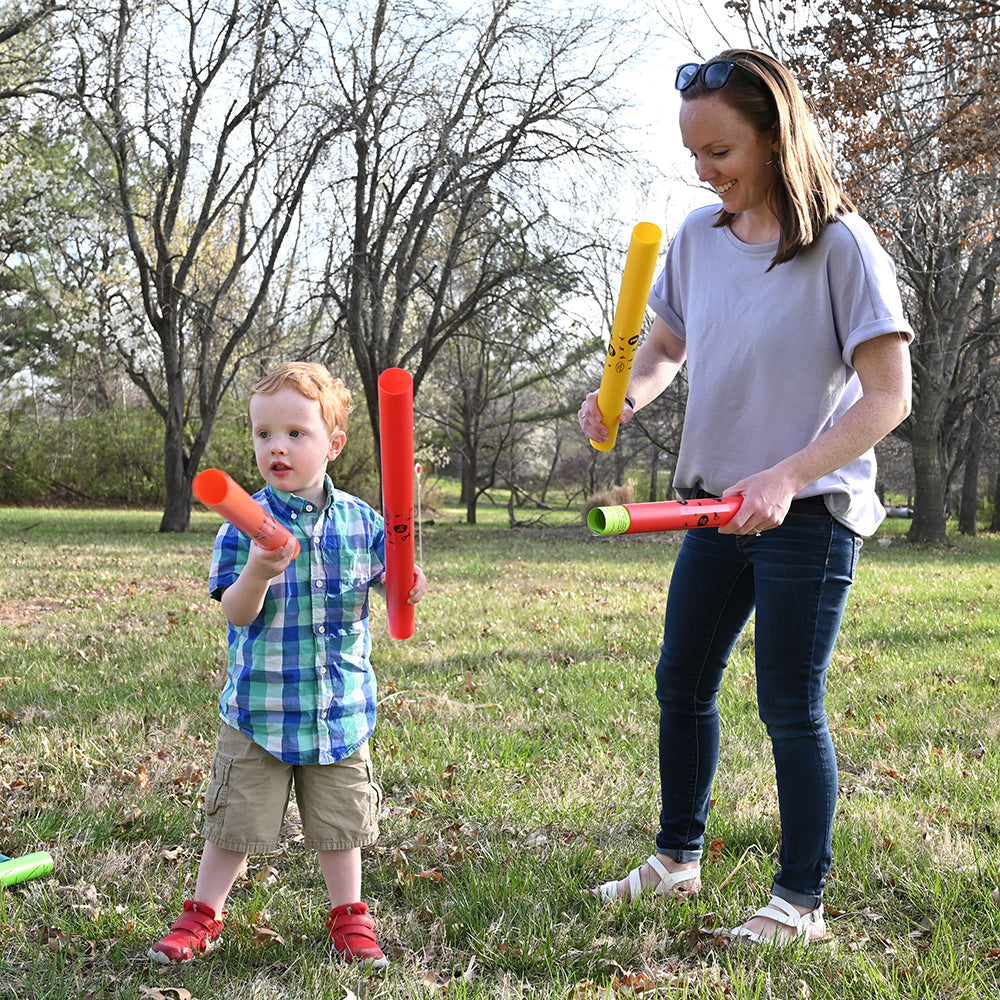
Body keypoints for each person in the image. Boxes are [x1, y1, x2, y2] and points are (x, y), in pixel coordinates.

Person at [578, 49, 912, 946]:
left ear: (772, 137)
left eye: (720, 151)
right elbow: (664, 344)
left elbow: (889, 395)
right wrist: (625, 398)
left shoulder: (840, 245)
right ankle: (676, 861)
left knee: (787, 706)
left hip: (809, 514)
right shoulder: (696, 238)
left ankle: (799, 903)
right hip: (712, 511)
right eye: (694, 155)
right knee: (682, 680)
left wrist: (789, 475)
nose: (705, 172)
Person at [149, 361, 426, 967]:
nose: (277, 446)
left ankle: (349, 916)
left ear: (333, 443)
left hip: (338, 711)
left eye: (296, 433)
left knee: (340, 826)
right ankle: (203, 913)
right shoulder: (242, 524)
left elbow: (395, 580)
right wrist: (257, 570)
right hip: (260, 710)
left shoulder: (361, 522)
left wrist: (409, 580)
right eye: (264, 434)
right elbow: (238, 614)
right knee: (234, 823)